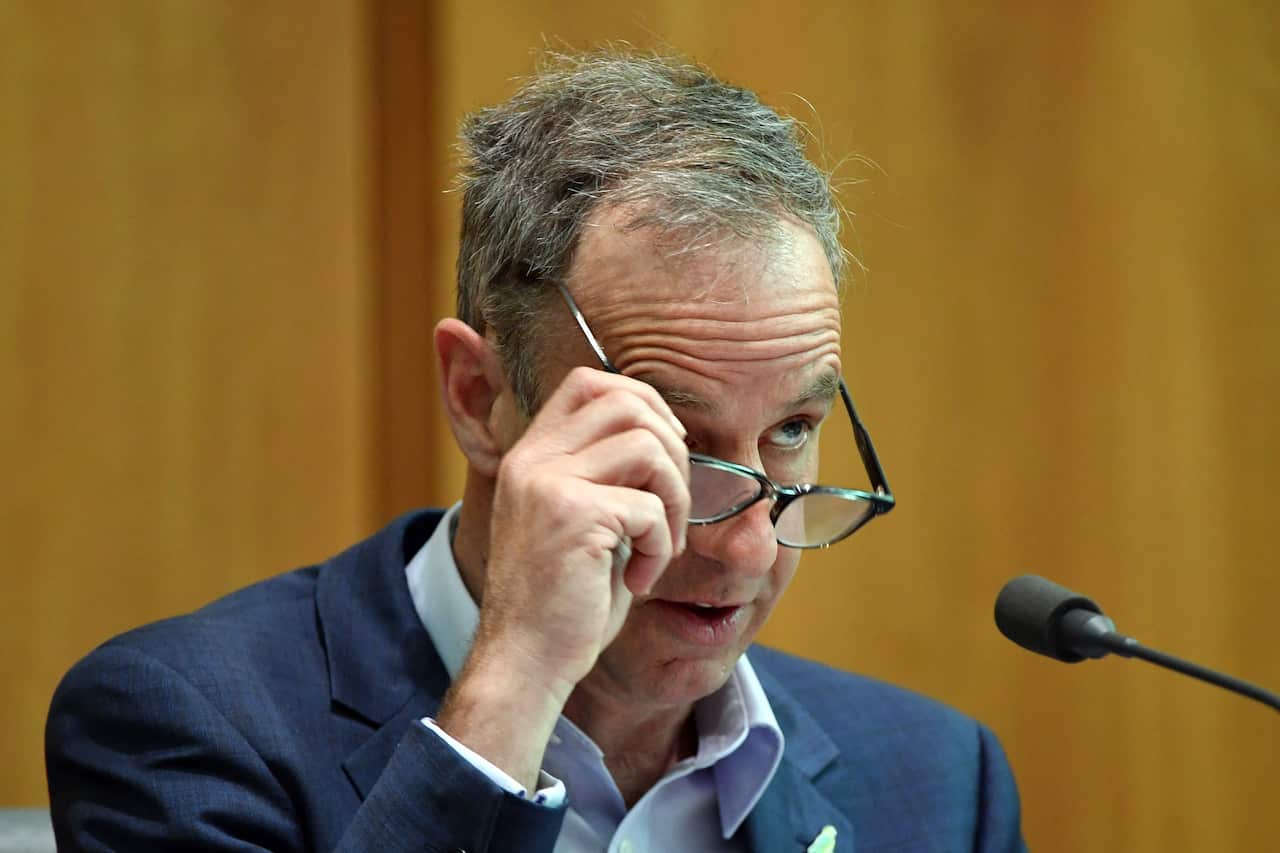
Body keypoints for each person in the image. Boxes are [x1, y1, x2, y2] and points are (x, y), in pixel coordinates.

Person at [47, 50, 1027, 852]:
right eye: (671, 440)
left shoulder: (939, 784)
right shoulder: (185, 727)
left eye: (792, 431)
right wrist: (512, 683)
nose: (749, 548)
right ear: (480, 398)